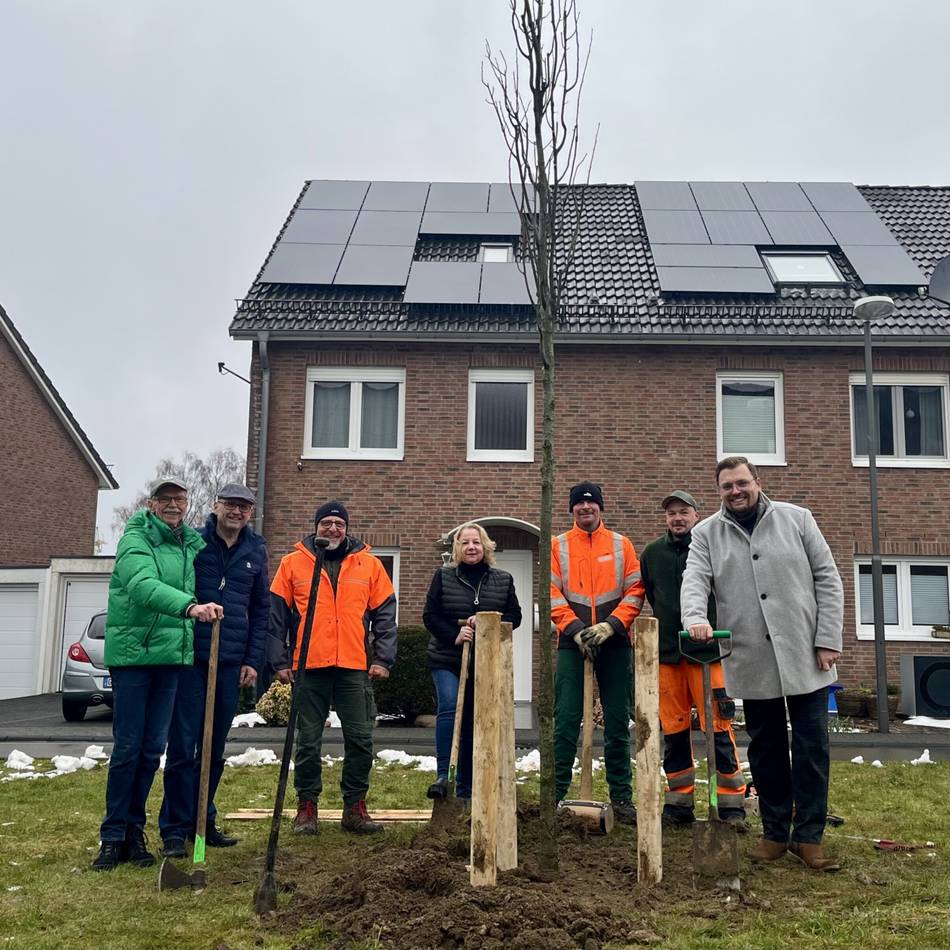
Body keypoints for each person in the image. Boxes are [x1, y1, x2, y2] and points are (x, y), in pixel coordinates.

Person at [681, 456, 843, 872]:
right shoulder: (706, 534)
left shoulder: (797, 519)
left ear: (757, 481)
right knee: (767, 749)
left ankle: (808, 838)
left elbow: (827, 577)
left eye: (741, 483)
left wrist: (827, 640)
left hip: (806, 653)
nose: (735, 491)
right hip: (752, 657)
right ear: (718, 492)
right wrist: (696, 619)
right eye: (726, 486)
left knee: (811, 748)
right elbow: (695, 579)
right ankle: (774, 833)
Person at [92, 477, 223, 871]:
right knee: (128, 748)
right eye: (166, 499)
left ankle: (135, 831)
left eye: (180, 499)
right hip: (135, 656)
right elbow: (142, 585)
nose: (173, 505)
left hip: (171, 657)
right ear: (151, 504)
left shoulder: (187, 544)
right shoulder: (136, 539)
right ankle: (112, 836)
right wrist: (191, 607)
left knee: (151, 752)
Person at [267, 501, 396, 834]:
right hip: (309, 665)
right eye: (326, 523)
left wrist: (383, 658)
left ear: (347, 528)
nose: (333, 529)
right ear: (316, 527)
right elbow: (275, 617)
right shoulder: (293, 564)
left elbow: (385, 614)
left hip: (354, 666)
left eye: (339, 524)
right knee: (308, 740)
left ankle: (354, 807)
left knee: (360, 739)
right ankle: (307, 806)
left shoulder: (368, 564)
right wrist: (279, 661)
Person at [158, 483, 270, 858]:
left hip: (230, 660)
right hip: (191, 657)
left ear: (250, 513)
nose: (237, 512)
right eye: (231, 505)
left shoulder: (256, 550)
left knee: (214, 747)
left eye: (244, 507)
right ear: (216, 506)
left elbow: (260, 610)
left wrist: (252, 660)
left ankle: (202, 819)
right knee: (183, 746)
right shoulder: (194, 543)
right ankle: (174, 827)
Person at [639, 490, 747, 829]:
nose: (677, 518)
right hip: (668, 655)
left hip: (709, 654)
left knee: (718, 726)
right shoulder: (653, 554)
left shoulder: (710, 547)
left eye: (684, 512)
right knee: (674, 730)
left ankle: (730, 806)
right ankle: (679, 803)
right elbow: (648, 596)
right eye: (671, 513)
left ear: (696, 515)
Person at [551, 482, 645, 824]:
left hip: (615, 643)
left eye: (591, 503)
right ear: (571, 510)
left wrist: (612, 626)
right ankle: (556, 795)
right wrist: (576, 630)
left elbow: (636, 590)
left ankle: (622, 798)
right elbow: (551, 593)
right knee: (565, 721)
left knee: (618, 722)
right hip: (571, 644)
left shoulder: (622, 545)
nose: (585, 508)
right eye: (579, 504)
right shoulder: (557, 545)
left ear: (601, 508)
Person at [423, 522, 522, 802]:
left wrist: (487, 623)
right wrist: (455, 633)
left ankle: (466, 789)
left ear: (486, 546)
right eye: (465, 543)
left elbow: (514, 616)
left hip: (485, 661)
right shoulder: (443, 577)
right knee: (450, 706)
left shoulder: (503, 579)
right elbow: (430, 616)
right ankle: (444, 774)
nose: (471, 547)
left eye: (476, 542)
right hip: (447, 657)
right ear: (457, 548)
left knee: (472, 722)